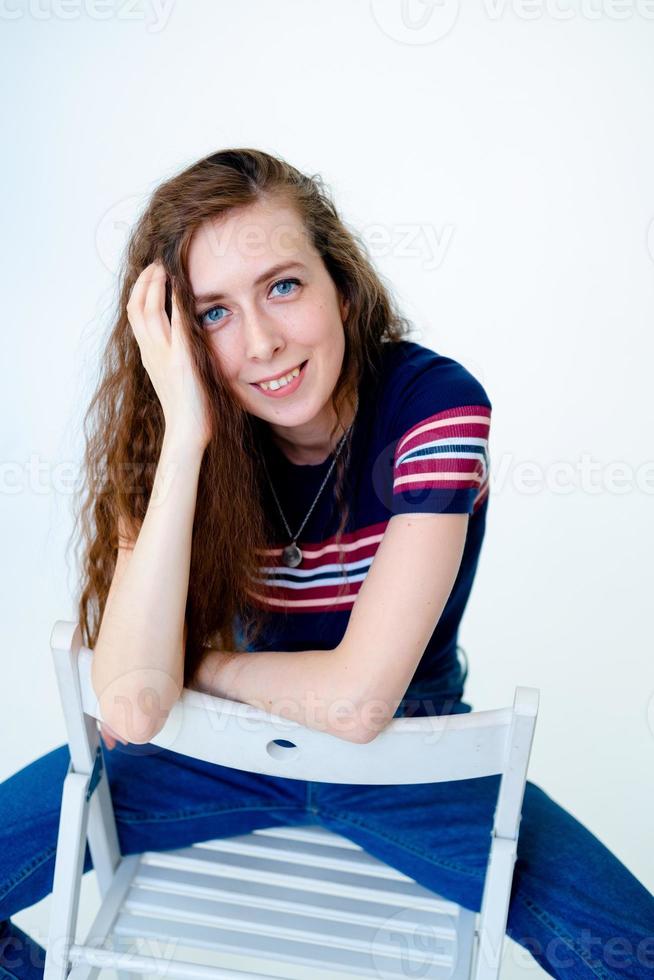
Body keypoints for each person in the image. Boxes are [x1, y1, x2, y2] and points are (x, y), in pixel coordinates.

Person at [1, 148, 652, 980]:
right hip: (210, 755)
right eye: (212, 315)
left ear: (339, 285)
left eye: (282, 286)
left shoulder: (436, 406)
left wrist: (193, 670)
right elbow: (132, 700)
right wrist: (187, 438)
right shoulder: (171, 434)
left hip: (411, 760)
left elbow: (357, 702)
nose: (264, 342)